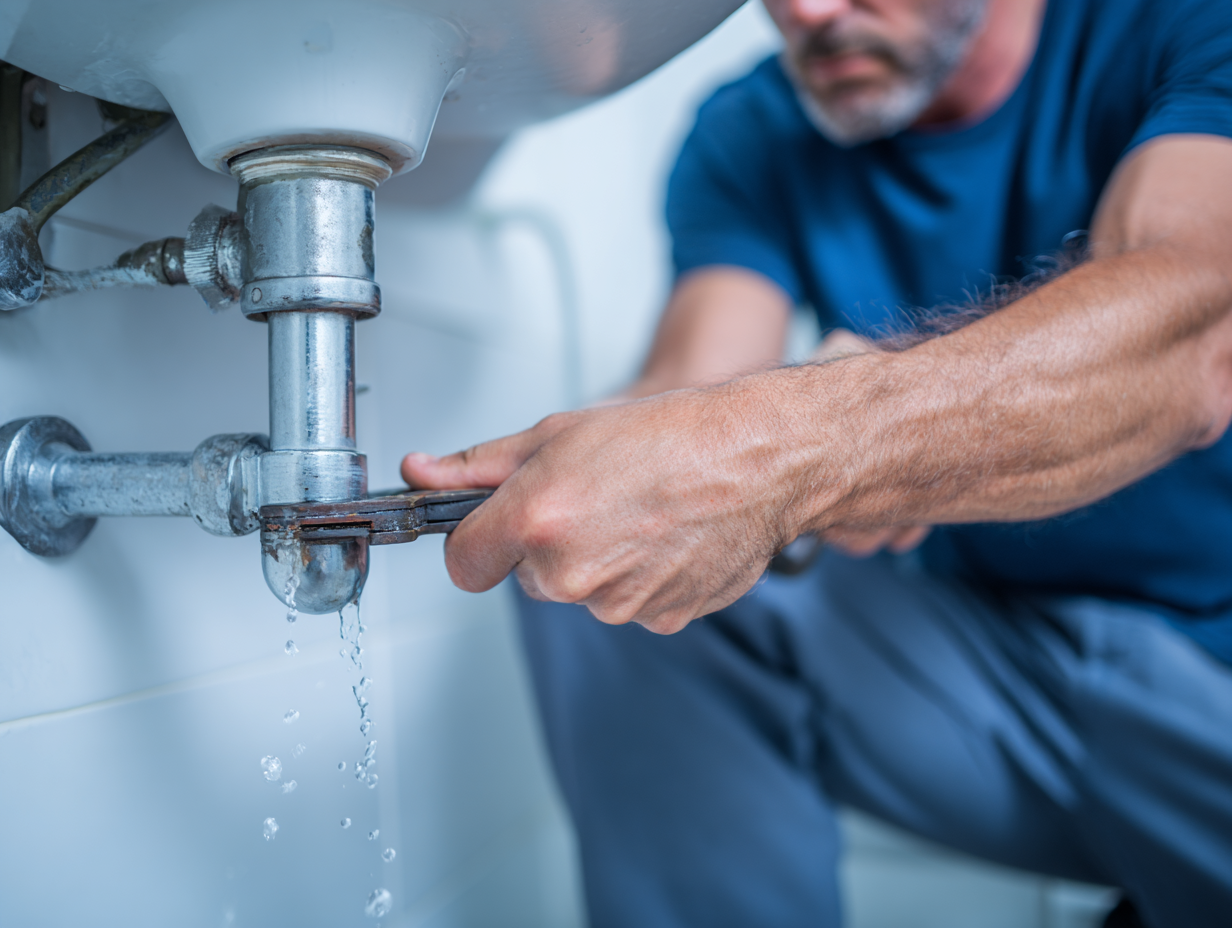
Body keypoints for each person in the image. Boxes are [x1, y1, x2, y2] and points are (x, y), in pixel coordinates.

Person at [403, 0, 1232, 924]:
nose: (808, 11)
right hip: (994, 683)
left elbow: (1190, 340)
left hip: (1213, 687)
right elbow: (689, 387)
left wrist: (848, 438)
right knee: (612, 549)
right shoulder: (754, 128)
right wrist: (581, 470)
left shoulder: (1190, 26)